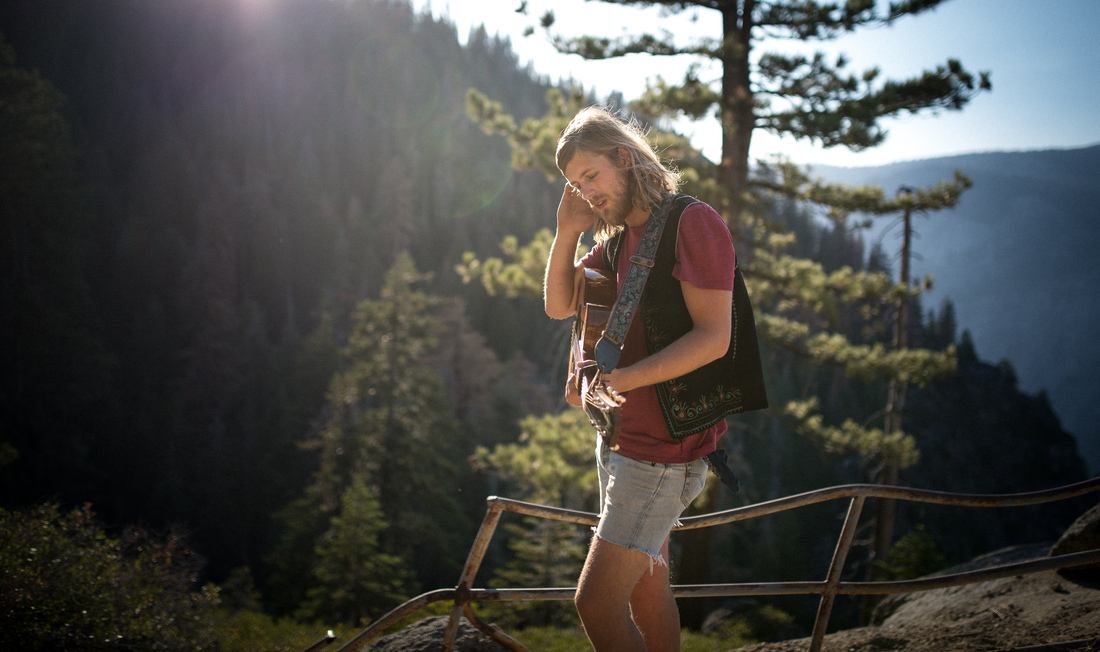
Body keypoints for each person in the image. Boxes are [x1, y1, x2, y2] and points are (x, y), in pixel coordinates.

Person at [544, 106, 767, 652]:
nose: (586, 192)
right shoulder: (619, 241)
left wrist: (626, 379)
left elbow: (714, 337)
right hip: (620, 442)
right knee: (646, 589)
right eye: (575, 184)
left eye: (591, 176)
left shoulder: (694, 223)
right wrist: (567, 230)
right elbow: (557, 305)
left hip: (663, 452)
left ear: (624, 157)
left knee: (594, 603)